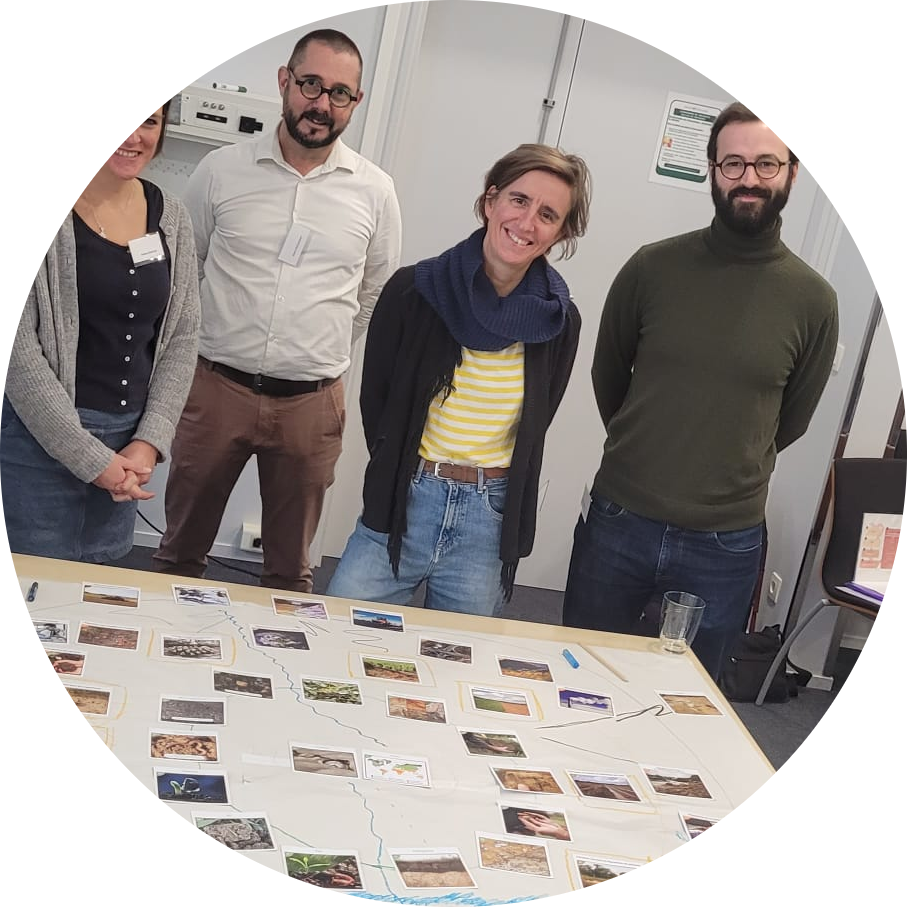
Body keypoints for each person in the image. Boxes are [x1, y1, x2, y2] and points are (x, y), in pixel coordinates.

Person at [562, 102, 839, 680]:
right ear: (711, 171)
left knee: (689, 698)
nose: (749, 179)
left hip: (725, 541)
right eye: (733, 163)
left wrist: (724, 463)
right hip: (620, 519)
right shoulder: (651, 268)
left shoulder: (814, 300)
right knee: (578, 673)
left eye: (767, 164)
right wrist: (650, 448)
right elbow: (607, 377)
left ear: (791, 173)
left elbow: (793, 418)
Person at [152, 29, 402, 592]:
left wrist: (318, 351)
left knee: (290, 572)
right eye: (311, 84)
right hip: (216, 390)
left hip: (312, 405)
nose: (322, 103)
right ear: (285, 82)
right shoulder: (221, 170)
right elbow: (186, 271)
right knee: (180, 553)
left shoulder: (376, 191)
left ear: (354, 103)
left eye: (340, 93)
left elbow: (374, 294)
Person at [326, 143, 591, 616]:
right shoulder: (414, 291)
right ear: (490, 202)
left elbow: (537, 421)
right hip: (405, 503)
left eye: (548, 215)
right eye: (518, 200)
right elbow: (378, 402)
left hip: (487, 518)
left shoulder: (558, 321)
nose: (527, 222)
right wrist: (398, 472)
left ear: (560, 234)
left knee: (459, 667)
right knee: (335, 634)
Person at [1, 102, 200, 563]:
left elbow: (182, 337)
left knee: (100, 600)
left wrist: (148, 442)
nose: (133, 137)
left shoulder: (172, 217)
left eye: (149, 122)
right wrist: (92, 460)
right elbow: (18, 354)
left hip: (127, 451)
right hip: (36, 442)